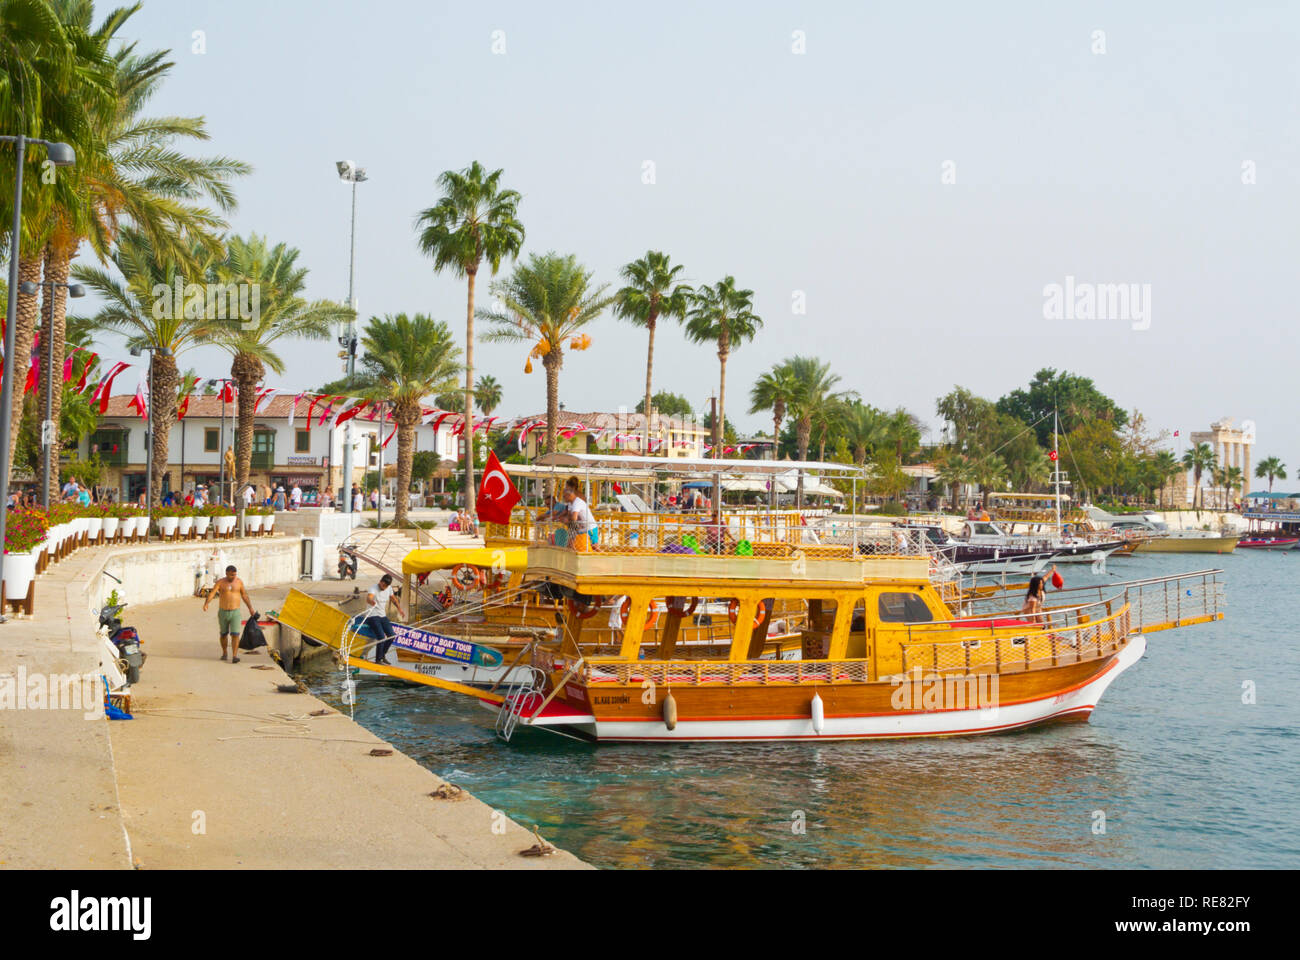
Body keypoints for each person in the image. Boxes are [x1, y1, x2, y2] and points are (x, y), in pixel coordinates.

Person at [203, 564, 257, 663]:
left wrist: (250, 608)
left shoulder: (239, 582)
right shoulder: (221, 582)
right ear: (226, 573)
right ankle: (224, 652)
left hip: (235, 612)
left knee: (235, 634)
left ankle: (235, 656)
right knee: (223, 634)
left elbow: (244, 595)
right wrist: (206, 603)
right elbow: (212, 593)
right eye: (231, 575)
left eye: (235, 575)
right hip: (223, 612)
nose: (233, 577)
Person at [366, 573, 405, 663]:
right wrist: (371, 601)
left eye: (386, 586)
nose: (383, 587)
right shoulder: (373, 588)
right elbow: (369, 597)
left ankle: (382, 655)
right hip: (372, 615)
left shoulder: (389, 589)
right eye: (383, 584)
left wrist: (399, 609)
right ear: (380, 581)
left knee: (391, 636)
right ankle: (378, 659)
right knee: (381, 637)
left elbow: (393, 599)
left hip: (382, 616)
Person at [562, 476, 596, 550]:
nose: (564, 499)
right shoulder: (571, 502)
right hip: (581, 526)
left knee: (594, 547)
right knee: (585, 545)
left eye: (564, 497)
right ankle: (571, 546)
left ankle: (571, 545)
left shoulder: (577, 500)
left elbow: (573, 517)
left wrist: (566, 519)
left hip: (588, 526)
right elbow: (570, 515)